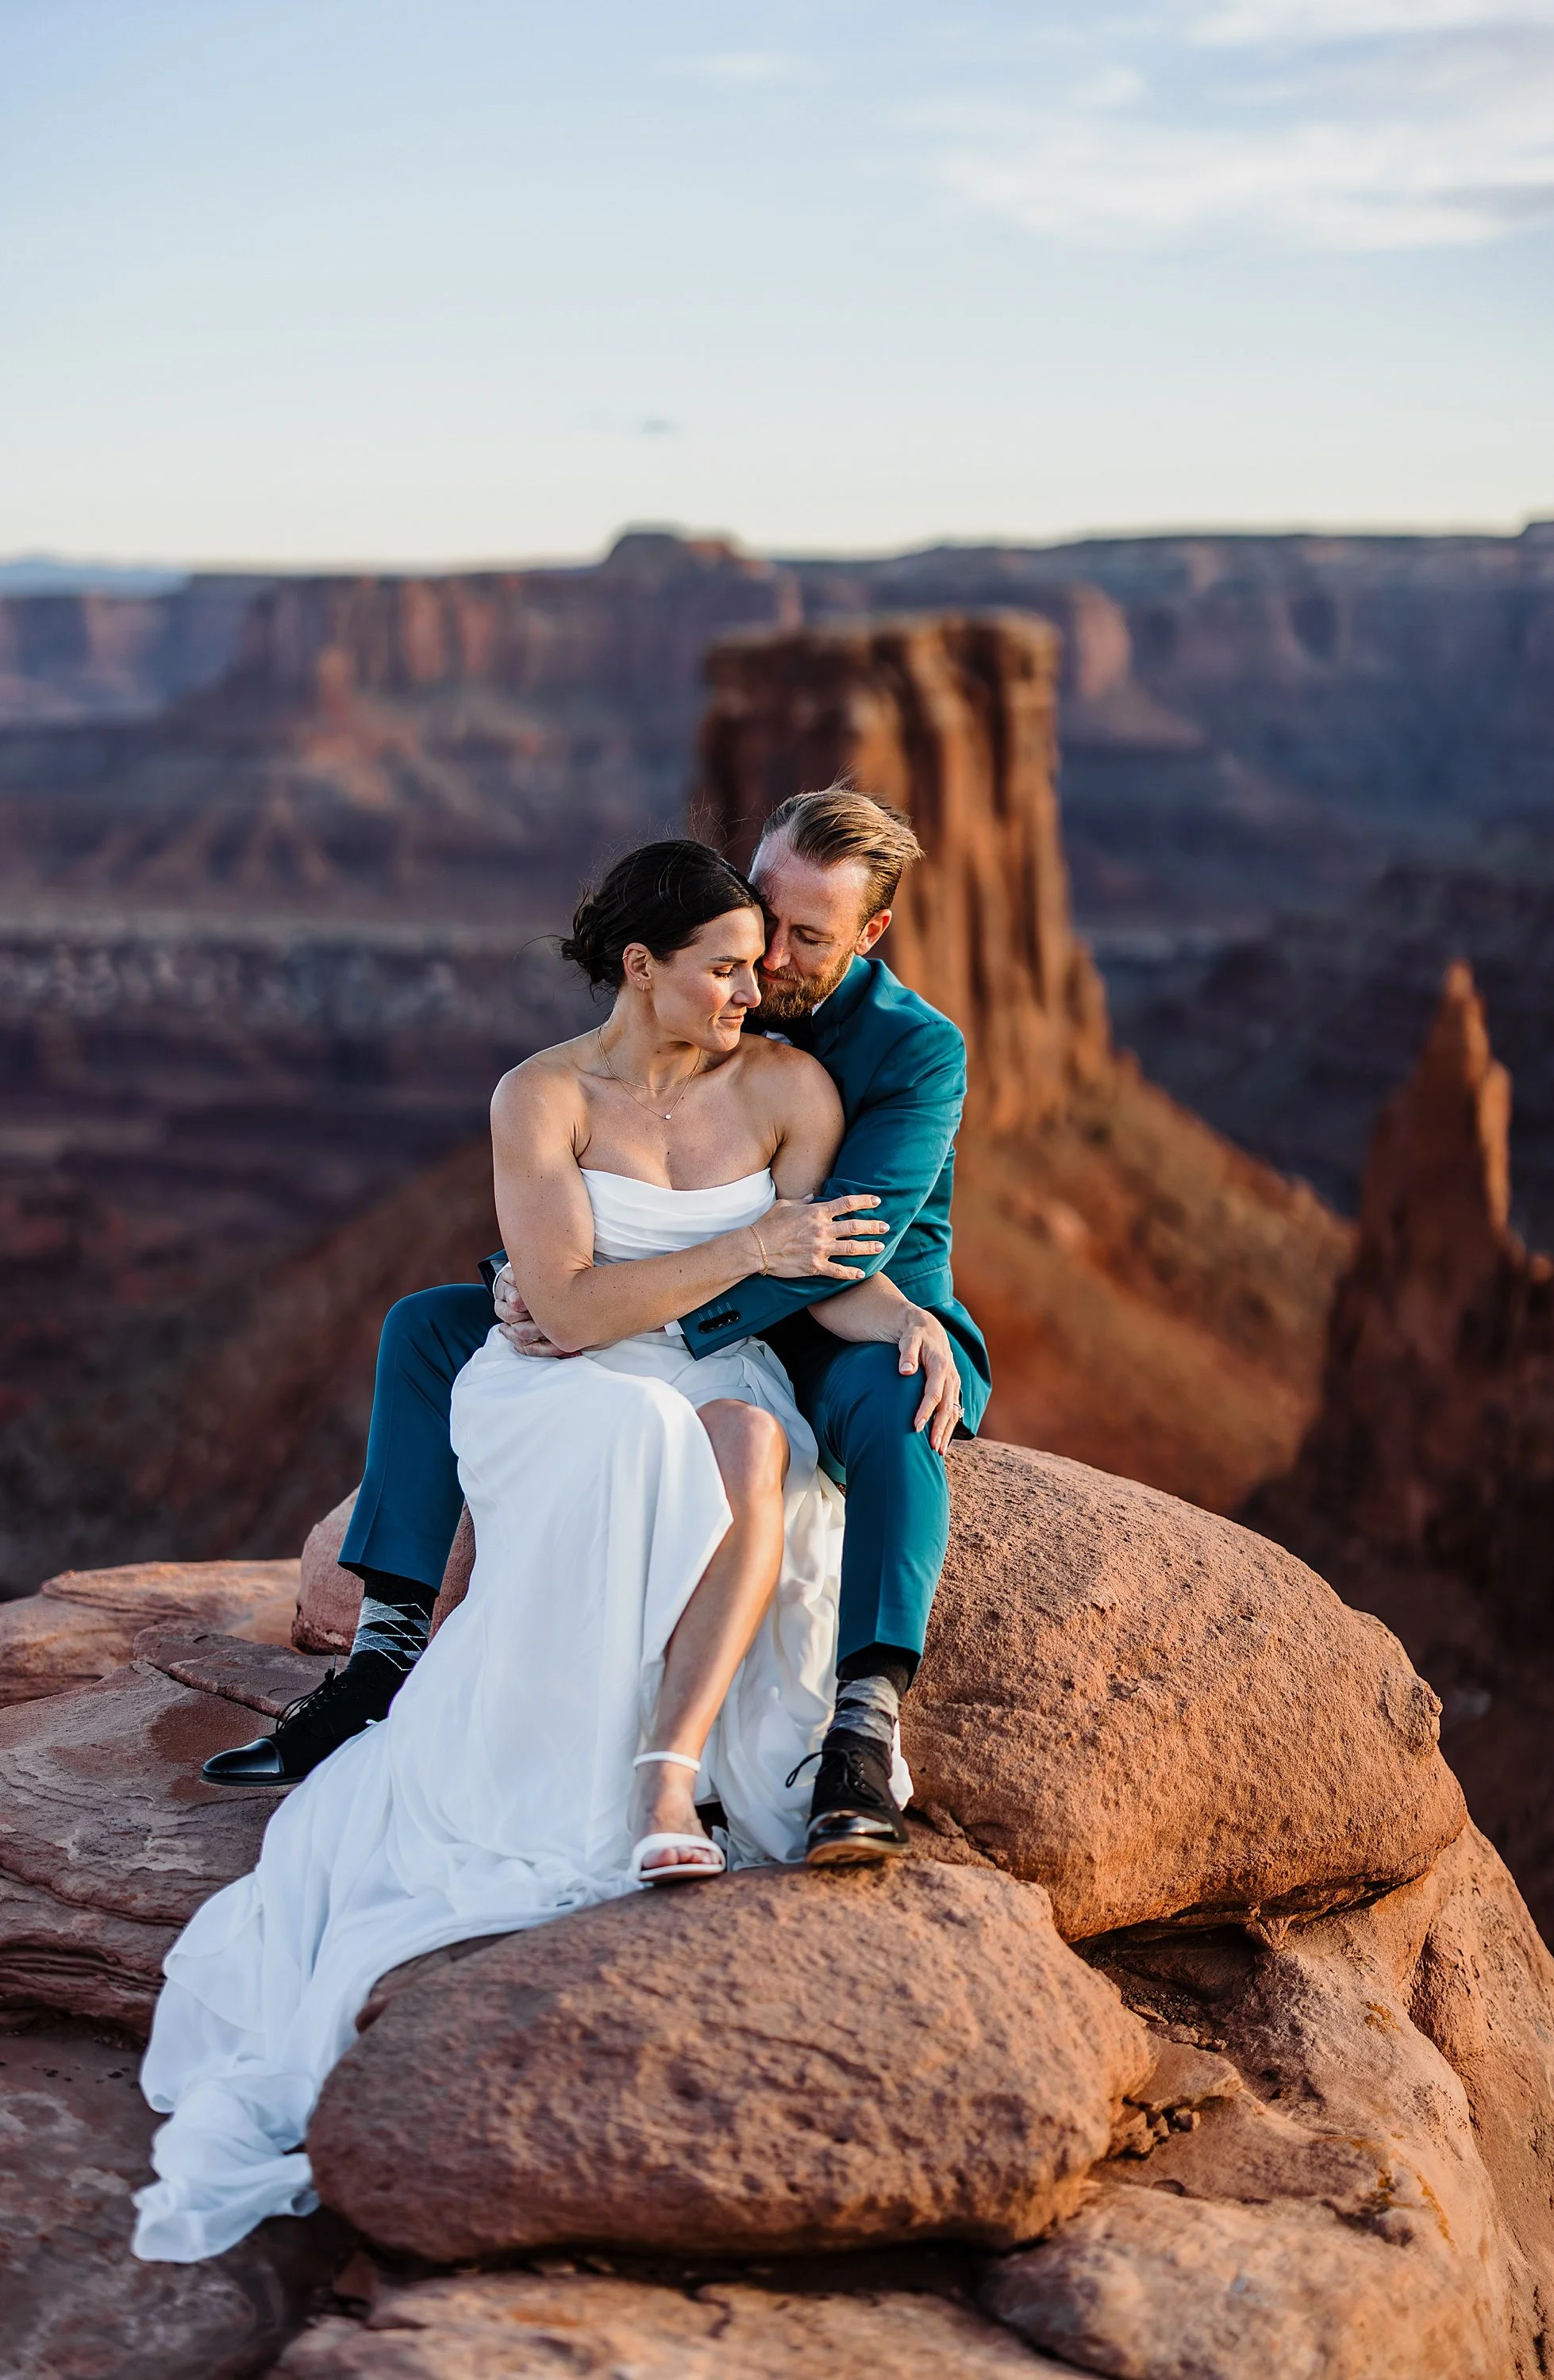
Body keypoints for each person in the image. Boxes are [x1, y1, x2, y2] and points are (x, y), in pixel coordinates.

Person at [133, 837, 964, 2262]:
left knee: (752, 1445)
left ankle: (669, 1775)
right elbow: (568, 1312)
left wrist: (908, 1325)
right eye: (729, 964)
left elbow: (825, 1266)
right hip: (561, 1374)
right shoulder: (540, 1092)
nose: (756, 988)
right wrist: (736, 1252)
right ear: (644, 965)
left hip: (720, 1365)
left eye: (773, 961)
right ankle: (412, 1664)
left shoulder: (803, 1084)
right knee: (576, 1406)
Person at [205, 788, 991, 1862]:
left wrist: (616, 1310)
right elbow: (602, 1175)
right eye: (762, 922)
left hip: (843, 1313)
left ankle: (860, 1725)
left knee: (905, 1401)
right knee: (428, 1328)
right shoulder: (703, 987)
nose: (770, 965)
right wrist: (533, 1281)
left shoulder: (908, 1052)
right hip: (668, 1297)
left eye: (808, 939)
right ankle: (383, 1662)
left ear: (871, 934)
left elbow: (836, 1246)